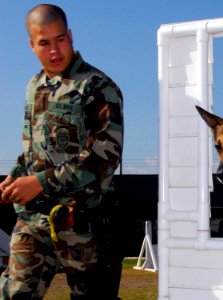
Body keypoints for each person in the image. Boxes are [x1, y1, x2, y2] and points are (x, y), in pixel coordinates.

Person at [0, 4, 124, 299]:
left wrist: (39, 183)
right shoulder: (34, 86)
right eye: (44, 42)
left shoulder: (97, 87)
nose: (54, 50)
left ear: (70, 35)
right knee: (13, 294)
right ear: (32, 45)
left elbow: (103, 160)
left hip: (83, 224)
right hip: (33, 221)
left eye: (61, 39)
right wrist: (15, 177)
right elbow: (31, 151)